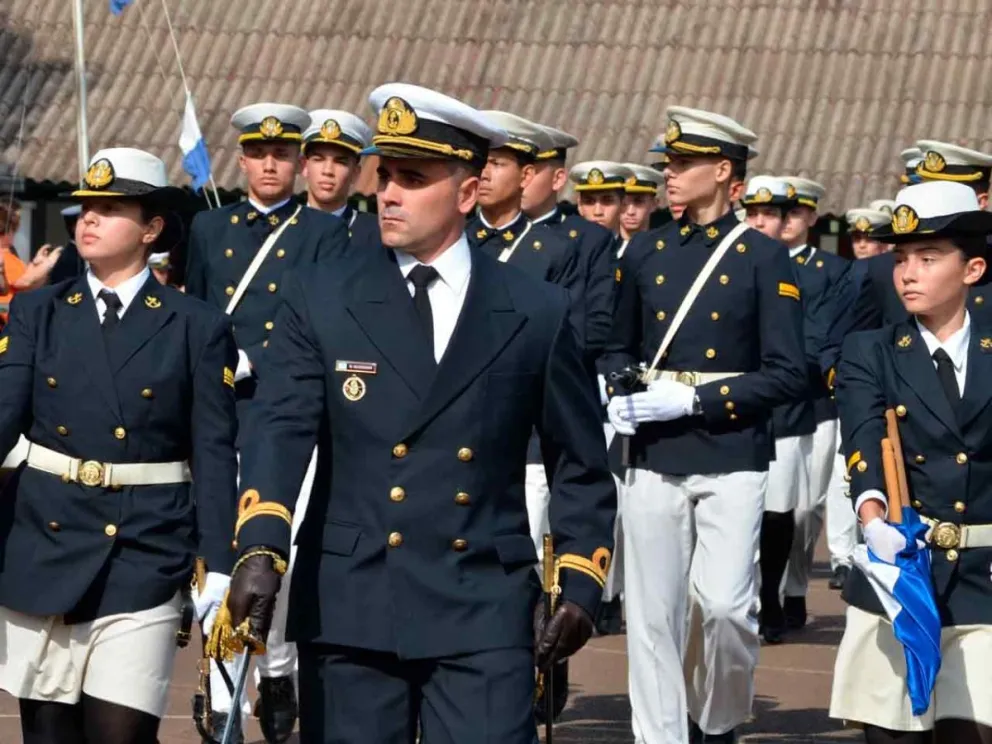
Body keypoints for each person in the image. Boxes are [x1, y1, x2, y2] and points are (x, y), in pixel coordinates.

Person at [212, 81, 616, 744]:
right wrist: (260, 540)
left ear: (465, 191)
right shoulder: (324, 294)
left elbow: (579, 460)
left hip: (482, 598)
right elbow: (280, 425)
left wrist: (578, 580)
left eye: (414, 177)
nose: (388, 193)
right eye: (386, 174)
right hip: (353, 598)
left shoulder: (535, 310)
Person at [0, 148, 238, 744]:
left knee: (121, 734)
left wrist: (220, 563)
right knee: (49, 734)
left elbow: (212, 446)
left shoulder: (196, 324)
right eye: (85, 209)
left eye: (110, 209)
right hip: (45, 543)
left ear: (152, 228)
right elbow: (3, 413)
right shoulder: (38, 311)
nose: (88, 220)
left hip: (145, 546)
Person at [603, 106, 807, 743]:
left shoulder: (763, 257)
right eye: (669, 162)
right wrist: (622, 390)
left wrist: (692, 401)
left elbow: (788, 373)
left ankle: (716, 721)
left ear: (724, 172)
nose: (669, 174)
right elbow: (614, 343)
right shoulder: (647, 250)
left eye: (684, 164)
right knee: (653, 615)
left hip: (731, 449)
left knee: (724, 607)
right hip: (654, 450)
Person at [184, 102, 351, 743]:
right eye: (259, 153)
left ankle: (276, 670)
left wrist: (274, 358)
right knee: (218, 554)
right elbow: (193, 321)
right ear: (244, 159)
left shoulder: (327, 233)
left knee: (275, 549)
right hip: (222, 414)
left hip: (287, 418)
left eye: (283, 154)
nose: (271, 164)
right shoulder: (209, 231)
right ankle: (222, 684)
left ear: (298, 162)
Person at [830, 180, 992, 744]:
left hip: (983, 582)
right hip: (900, 581)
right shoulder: (869, 350)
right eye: (901, 259)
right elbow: (865, 437)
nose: (908, 273)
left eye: (929, 258)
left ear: (972, 270)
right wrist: (874, 519)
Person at [740, 175, 814, 644]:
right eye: (752, 213)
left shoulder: (811, 271)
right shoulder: (733, 265)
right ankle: (748, 597)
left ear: (788, 221)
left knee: (779, 509)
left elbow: (815, 340)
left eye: (769, 214)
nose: (759, 222)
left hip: (785, 409)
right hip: (739, 407)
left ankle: (772, 594)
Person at [777, 176, 854, 623]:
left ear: (810, 217)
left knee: (806, 507)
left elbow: (823, 333)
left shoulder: (830, 269)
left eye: (795, 213)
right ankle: (769, 592)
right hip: (765, 402)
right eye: (778, 213)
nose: (786, 222)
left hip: (813, 400)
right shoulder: (757, 262)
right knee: (767, 503)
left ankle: (796, 585)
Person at [522, 122, 616, 371]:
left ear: (557, 179)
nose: (522, 180)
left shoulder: (588, 239)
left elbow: (597, 324)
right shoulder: (473, 233)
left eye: (531, 171)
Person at [300, 108, 379, 245]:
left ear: (355, 173)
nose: (328, 171)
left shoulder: (374, 235)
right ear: (304, 167)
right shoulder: (280, 228)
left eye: (340, 162)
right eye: (318, 159)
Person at [0, 201, 64, 325]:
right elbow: (24, 282)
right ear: (9, 230)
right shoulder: (4, 255)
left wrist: (37, 265)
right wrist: (48, 264)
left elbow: (29, 285)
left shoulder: (9, 254)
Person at [568, 161, 633, 242]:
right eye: (589, 201)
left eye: (607, 201)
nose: (598, 212)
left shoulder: (632, 253)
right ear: (580, 206)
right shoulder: (566, 252)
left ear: (623, 205)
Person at [619, 164, 664, 256]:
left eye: (638, 202)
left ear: (654, 204)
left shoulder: (664, 250)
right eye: (623, 203)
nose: (630, 212)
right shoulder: (602, 249)